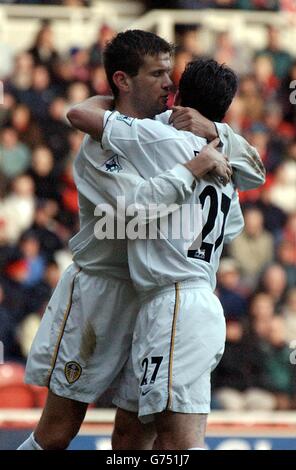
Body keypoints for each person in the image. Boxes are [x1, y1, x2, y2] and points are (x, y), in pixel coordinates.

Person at [18, 30, 263, 451]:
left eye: (172, 74)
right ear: (122, 80)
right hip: (102, 293)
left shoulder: (171, 129)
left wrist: (216, 132)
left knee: (133, 438)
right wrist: (194, 169)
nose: (170, 84)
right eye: (158, 74)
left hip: (156, 300)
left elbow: (250, 172)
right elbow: (132, 214)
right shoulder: (103, 145)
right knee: (59, 430)